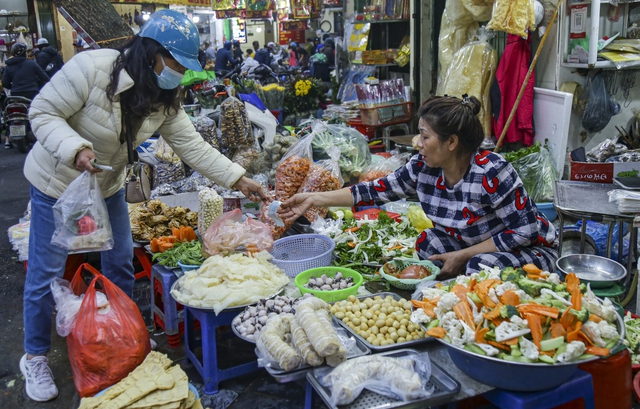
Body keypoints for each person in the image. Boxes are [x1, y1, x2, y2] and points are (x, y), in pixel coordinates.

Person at [20, 9, 268, 403]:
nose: (178, 72)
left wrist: (239, 178)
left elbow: (193, 146)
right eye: (174, 63)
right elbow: (42, 112)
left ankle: (123, 337)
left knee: (119, 261)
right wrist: (76, 149)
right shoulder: (92, 68)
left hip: (108, 186)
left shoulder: (163, 96)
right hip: (59, 184)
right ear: (152, 51)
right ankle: (34, 355)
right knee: (46, 272)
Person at [278, 95, 558, 279]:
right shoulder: (423, 167)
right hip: (469, 245)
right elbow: (370, 191)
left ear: (451, 142)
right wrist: (313, 198)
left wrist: (462, 255)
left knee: (479, 266)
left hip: (527, 249)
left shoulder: (492, 171)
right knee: (427, 243)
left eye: (424, 136)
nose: (417, 143)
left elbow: (526, 231)